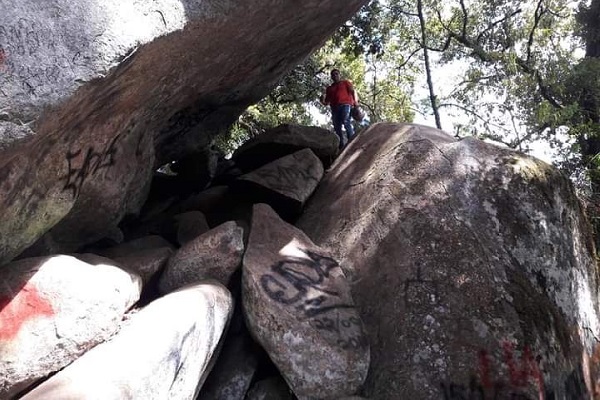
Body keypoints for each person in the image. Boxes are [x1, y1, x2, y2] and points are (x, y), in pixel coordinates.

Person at [320, 69, 358, 149]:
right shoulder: (329, 88)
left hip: (345, 105)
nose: (335, 76)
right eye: (333, 75)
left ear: (339, 75)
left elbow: (353, 92)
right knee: (337, 127)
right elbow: (327, 102)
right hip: (334, 108)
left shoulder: (345, 83)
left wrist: (356, 104)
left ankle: (352, 141)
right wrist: (322, 100)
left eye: (336, 74)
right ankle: (341, 146)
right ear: (331, 77)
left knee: (346, 121)